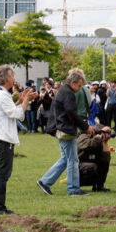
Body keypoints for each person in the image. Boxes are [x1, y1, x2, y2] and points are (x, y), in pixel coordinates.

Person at [0, 65, 36, 215]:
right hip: (3, 138)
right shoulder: (2, 95)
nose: (14, 79)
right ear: (6, 78)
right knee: (3, 173)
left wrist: (20, 99)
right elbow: (17, 115)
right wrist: (26, 100)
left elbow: (8, 110)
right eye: (12, 76)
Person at [38, 68, 94, 197]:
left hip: (60, 128)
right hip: (65, 129)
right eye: (79, 86)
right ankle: (73, 189)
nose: (80, 89)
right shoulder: (68, 93)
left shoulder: (64, 90)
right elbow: (72, 113)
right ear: (73, 83)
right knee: (73, 160)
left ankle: (45, 181)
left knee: (66, 159)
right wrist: (86, 127)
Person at [77, 127, 113, 193]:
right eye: (102, 132)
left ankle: (99, 186)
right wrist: (97, 138)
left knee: (104, 163)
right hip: (78, 166)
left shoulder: (99, 140)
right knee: (92, 166)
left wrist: (105, 142)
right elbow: (88, 146)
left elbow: (106, 159)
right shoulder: (83, 137)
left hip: (89, 164)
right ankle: (75, 185)